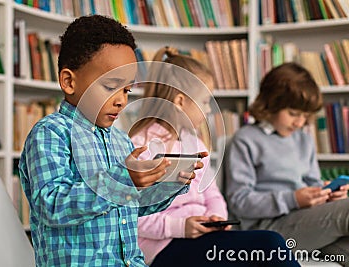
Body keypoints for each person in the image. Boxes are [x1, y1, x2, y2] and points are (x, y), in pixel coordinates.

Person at [18, 15, 206, 266]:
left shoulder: (121, 141)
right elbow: (51, 206)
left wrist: (169, 183)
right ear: (69, 82)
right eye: (110, 87)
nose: (121, 100)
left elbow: (131, 210)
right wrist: (122, 180)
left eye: (127, 90)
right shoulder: (51, 134)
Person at [129, 47, 300, 267]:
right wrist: (181, 227)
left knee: (268, 246)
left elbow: (212, 194)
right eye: (205, 101)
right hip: (163, 247)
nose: (209, 110)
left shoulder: (195, 143)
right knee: (269, 244)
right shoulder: (140, 146)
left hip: (203, 236)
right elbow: (131, 215)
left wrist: (216, 218)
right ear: (180, 101)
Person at [226, 62, 349, 266]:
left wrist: (327, 195)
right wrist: (293, 199)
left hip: (306, 223)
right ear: (271, 103)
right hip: (268, 230)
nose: (299, 123)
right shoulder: (245, 140)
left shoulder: (303, 140)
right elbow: (239, 202)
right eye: (293, 114)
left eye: (304, 116)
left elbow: (313, 184)